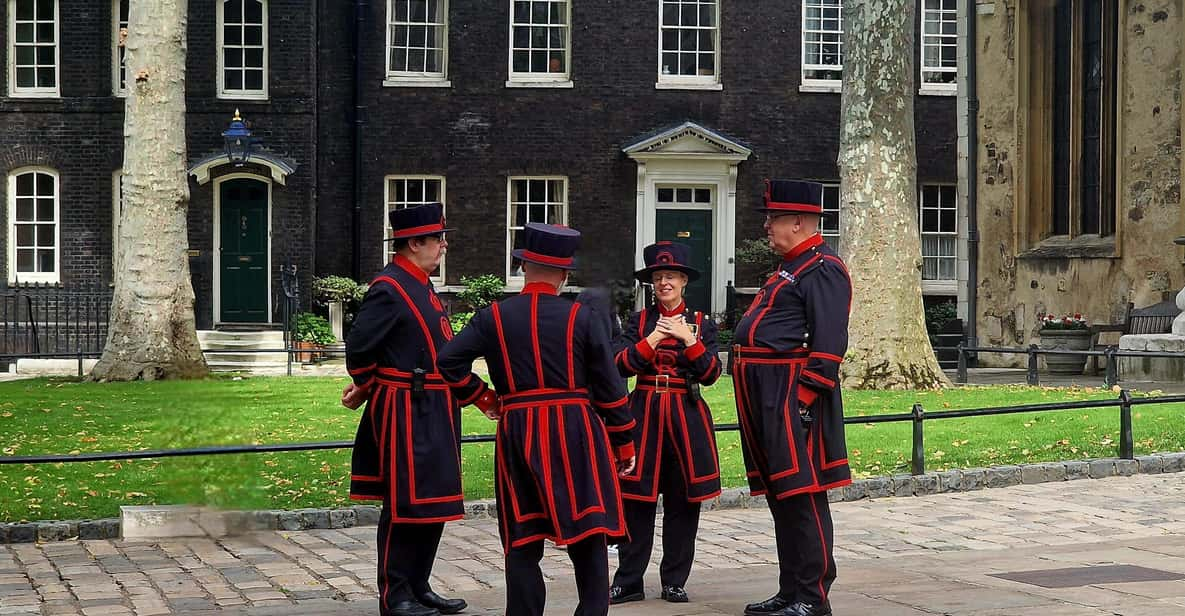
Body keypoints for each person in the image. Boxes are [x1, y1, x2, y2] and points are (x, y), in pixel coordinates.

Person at [437, 223, 636, 616]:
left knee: (523, 539)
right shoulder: (583, 317)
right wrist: (624, 441)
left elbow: (448, 361)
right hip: (575, 428)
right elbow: (610, 387)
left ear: (523, 266)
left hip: (519, 429)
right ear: (564, 273)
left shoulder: (492, 316)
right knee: (589, 531)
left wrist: (484, 398)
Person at [341, 203, 498, 616]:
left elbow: (439, 353)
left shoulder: (421, 284)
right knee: (405, 502)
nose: (444, 246)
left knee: (434, 499)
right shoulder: (389, 287)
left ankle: (419, 584)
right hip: (406, 410)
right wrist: (366, 384)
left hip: (436, 406)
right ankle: (395, 594)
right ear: (414, 243)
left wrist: (477, 396)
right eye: (438, 239)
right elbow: (359, 350)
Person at [731, 180, 852, 616]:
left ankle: (813, 596)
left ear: (798, 222)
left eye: (774, 218)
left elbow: (827, 346)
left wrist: (801, 401)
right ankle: (791, 590)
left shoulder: (822, 268)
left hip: (790, 398)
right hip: (766, 396)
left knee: (803, 494)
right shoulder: (793, 266)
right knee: (783, 496)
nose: (767, 226)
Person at [608, 241, 722, 605]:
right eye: (658, 277)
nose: (664, 283)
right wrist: (655, 337)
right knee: (635, 501)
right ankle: (629, 581)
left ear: (684, 281)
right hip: (643, 416)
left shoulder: (703, 324)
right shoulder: (638, 322)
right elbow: (619, 366)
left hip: (687, 421)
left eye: (671, 276)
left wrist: (689, 339)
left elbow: (711, 374)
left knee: (682, 504)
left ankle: (674, 580)